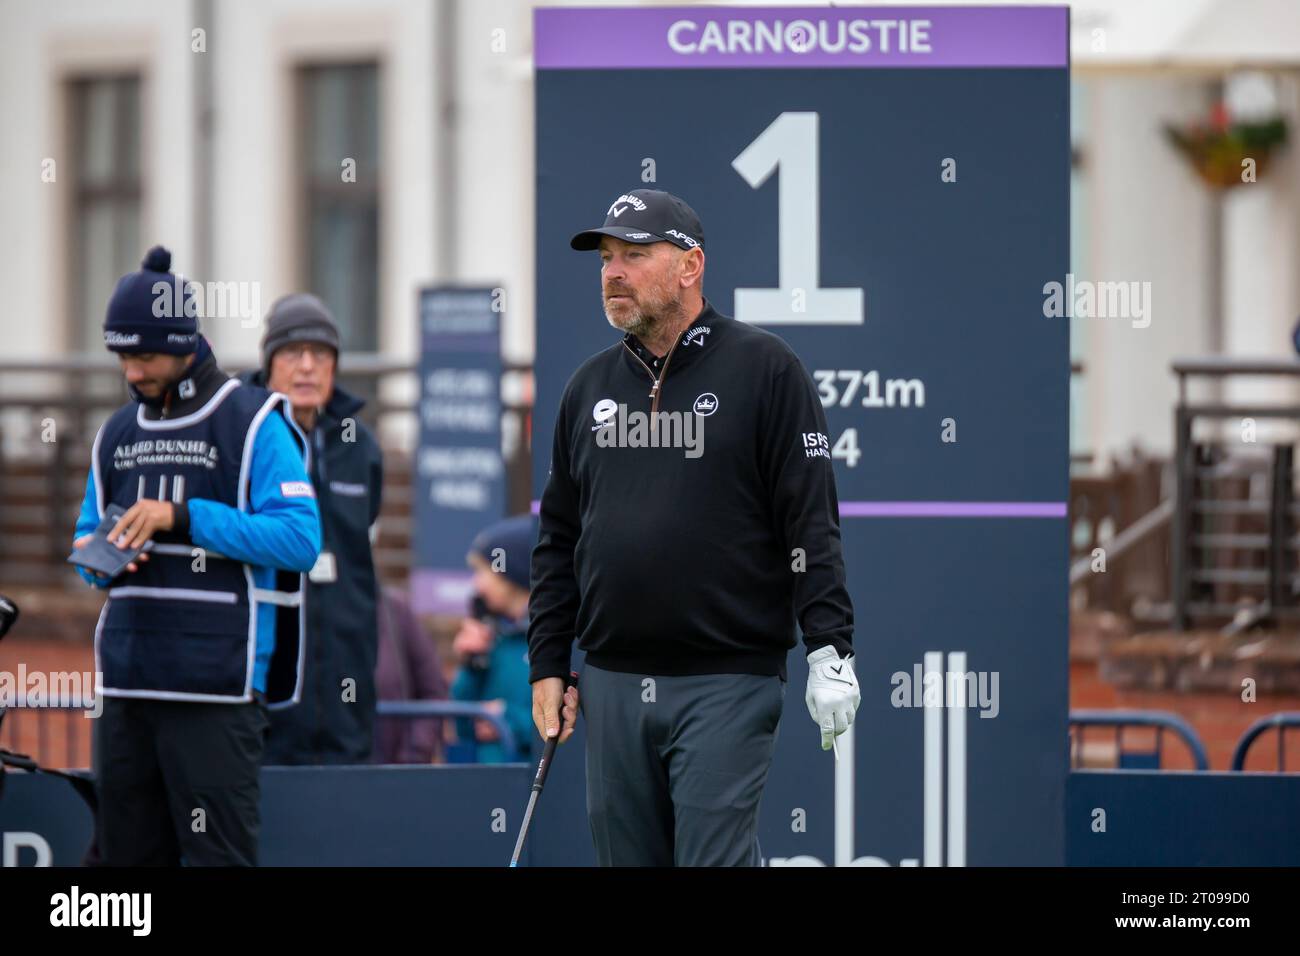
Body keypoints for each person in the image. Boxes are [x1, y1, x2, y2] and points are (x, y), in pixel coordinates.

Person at [528, 189, 861, 866]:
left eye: (635, 255)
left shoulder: (766, 370)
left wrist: (830, 647)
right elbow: (559, 537)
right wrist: (547, 662)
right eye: (607, 259)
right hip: (612, 680)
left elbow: (809, 522)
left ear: (690, 266)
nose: (613, 272)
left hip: (726, 679)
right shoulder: (588, 388)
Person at [73, 246, 320, 866]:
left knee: (218, 861)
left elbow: (299, 541)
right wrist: (94, 556)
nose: (132, 370)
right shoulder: (115, 433)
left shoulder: (254, 420)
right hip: (128, 686)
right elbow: (83, 544)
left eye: (145, 354)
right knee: (123, 869)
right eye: (123, 354)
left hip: (218, 691)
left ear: (188, 343)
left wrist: (181, 518)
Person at [241, 294, 385, 765]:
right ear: (268, 365)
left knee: (347, 814)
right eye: (291, 353)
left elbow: (365, 538)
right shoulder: (241, 436)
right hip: (264, 674)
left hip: (346, 676)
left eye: (320, 355)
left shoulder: (359, 445)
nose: (307, 367)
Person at [450, 515, 537, 764]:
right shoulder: (492, 638)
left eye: (481, 572)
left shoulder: (557, 638)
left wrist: (507, 719)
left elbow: (571, 724)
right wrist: (470, 665)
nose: (476, 585)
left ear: (510, 576)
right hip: (489, 782)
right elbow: (464, 727)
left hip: (537, 785)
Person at [373, 585, 448, 764]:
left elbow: (433, 691)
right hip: (325, 770)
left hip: (397, 772)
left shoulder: (394, 610)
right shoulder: (307, 613)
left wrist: (414, 753)